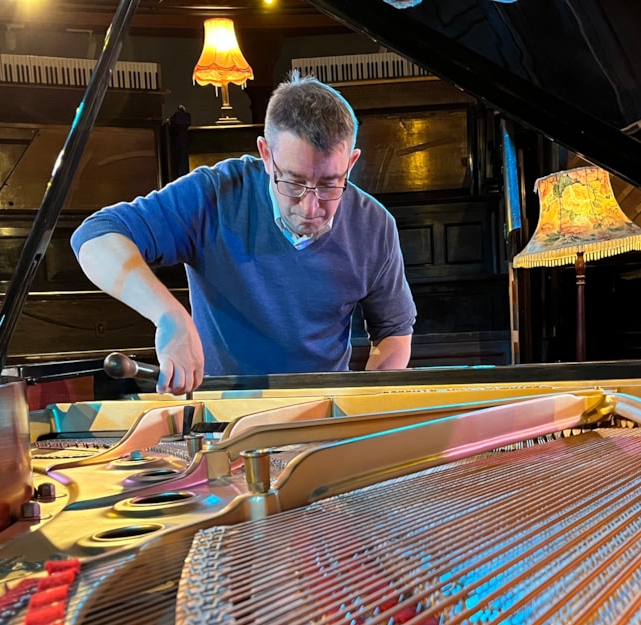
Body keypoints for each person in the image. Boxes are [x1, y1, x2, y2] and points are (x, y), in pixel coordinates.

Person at [70, 73, 417, 394]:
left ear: (351, 163)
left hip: (320, 412)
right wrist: (169, 316)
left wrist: (365, 402)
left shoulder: (375, 226)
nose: (310, 207)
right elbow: (96, 237)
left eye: (330, 184)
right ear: (266, 155)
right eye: (293, 182)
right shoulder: (215, 194)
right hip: (222, 411)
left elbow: (394, 333)